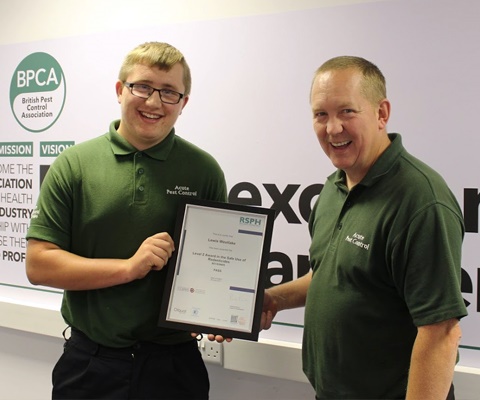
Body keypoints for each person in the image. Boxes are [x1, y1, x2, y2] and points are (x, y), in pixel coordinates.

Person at [25, 41, 227, 399]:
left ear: (183, 103)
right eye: (143, 87)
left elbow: (217, 264)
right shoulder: (73, 166)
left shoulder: (204, 171)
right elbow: (39, 266)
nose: (153, 103)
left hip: (175, 367)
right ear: (120, 90)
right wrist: (128, 268)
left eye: (169, 92)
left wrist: (222, 311)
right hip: (90, 364)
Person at [261, 56, 467, 400]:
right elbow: (333, 275)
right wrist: (272, 300)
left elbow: (441, 332)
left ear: (381, 113)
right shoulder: (334, 187)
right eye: (320, 114)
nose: (332, 128)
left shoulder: (421, 201)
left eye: (347, 112)